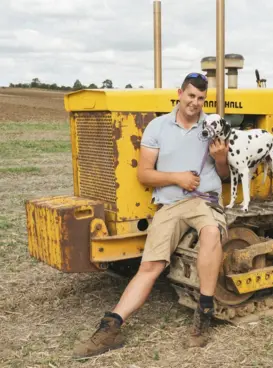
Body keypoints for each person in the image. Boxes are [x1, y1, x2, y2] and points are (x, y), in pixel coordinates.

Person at [73, 73, 230, 358]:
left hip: (204, 201)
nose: (195, 103)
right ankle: (111, 327)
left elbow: (225, 175)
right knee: (151, 266)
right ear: (180, 93)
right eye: (191, 96)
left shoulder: (212, 126)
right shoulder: (158, 127)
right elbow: (144, 174)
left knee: (211, 233)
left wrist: (220, 157)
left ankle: (204, 312)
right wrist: (177, 178)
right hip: (170, 204)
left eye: (201, 98)